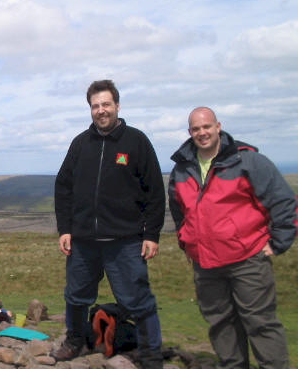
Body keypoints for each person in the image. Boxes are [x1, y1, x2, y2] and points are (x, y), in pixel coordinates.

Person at [169, 107, 296, 369]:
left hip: (247, 258)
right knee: (220, 322)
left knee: (260, 322)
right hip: (205, 264)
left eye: (206, 127)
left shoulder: (247, 161)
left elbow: (284, 202)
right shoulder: (182, 169)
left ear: (218, 126)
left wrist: (277, 242)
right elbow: (179, 211)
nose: (202, 133)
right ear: (190, 132)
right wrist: (187, 241)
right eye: (196, 129)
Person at [53, 79, 165, 367]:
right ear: (90, 109)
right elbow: (63, 186)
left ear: (117, 105)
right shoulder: (80, 143)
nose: (101, 110)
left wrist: (151, 234)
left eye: (106, 104)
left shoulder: (136, 141)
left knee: (138, 299)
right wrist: (65, 228)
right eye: (95, 106)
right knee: (76, 296)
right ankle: (75, 341)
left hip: (125, 240)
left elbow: (154, 190)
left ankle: (151, 354)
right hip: (84, 241)